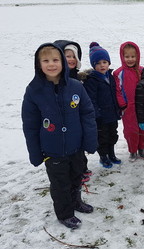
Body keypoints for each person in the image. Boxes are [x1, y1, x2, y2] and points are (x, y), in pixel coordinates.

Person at [21, 43, 98, 229]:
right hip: (52, 151)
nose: (51, 64)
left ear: (63, 62)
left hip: (76, 146)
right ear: (38, 64)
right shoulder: (33, 91)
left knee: (76, 177)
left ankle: (76, 202)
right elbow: (30, 125)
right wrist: (35, 152)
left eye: (55, 60)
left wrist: (90, 141)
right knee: (60, 184)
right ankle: (64, 213)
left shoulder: (75, 87)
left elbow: (87, 114)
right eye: (46, 60)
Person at [54, 39, 91, 183]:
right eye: (67, 56)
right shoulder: (56, 78)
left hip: (78, 116)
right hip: (63, 119)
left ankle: (82, 168)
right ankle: (75, 172)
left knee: (80, 144)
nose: (71, 59)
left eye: (74, 56)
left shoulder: (76, 76)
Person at [84, 42, 121, 168]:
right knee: (102, 137)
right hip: (100, 116)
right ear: (94, 65)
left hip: (112, 114)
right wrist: (96, 114)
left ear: (108, 63)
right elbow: (91, 99)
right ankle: (103, 156)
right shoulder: (92, 80)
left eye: (104, 62)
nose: (102, 65)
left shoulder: (111, 77)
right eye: (98, 63)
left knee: (113, 135)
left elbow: (115, 94)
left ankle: (111, 153)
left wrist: (118, 109)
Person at [113, 41, 144, 162]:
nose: (130, 59)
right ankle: (132, 150)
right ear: (122, 57)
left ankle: (141, 149)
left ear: (137, 56)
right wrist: (123, 104)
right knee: (131, 130)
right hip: (128, 108)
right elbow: (118, 90)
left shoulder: (143, 71)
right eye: (127, 56)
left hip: (142, 106)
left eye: (133, 56)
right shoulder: (118, 73)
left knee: (142, 129)